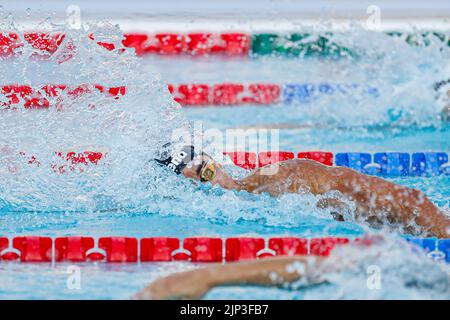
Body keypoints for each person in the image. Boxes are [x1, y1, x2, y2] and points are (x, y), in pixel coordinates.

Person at [155, 145, 450, 238]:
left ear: (216, 162)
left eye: (207, 172)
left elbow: (411, 201)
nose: (214, 185)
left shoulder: (279, 176)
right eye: (201, 183)